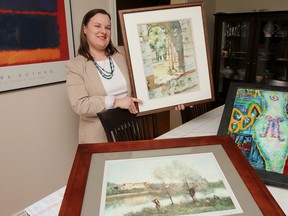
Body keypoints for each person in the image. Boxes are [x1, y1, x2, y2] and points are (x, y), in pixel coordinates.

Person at [66, 9, 184, 144]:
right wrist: (116, 101)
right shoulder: (75, 66)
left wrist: (174, 97)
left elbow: (147, 81)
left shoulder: (123, 53)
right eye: (97, 26)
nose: (103, 31)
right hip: (98, 138)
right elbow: (80, 104)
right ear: (85, 29)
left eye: (108, 27)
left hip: (131, 130)